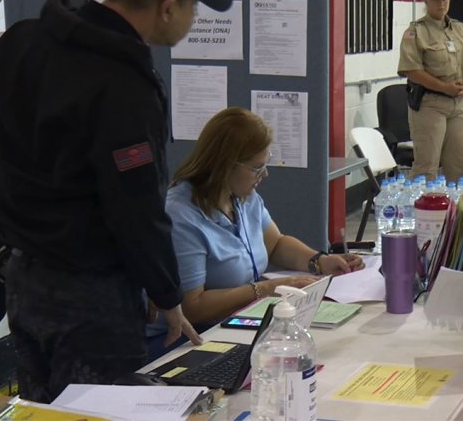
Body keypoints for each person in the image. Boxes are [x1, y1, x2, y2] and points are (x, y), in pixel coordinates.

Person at [0, 0, 232, 402]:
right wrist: (166, 292)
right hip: (90, 296)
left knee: (43, 407)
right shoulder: (123, 85)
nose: (194, 18)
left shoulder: (20, 42)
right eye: (194, 6)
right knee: (101, 409)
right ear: (167, 8)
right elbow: (134, 204)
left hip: (23, 279)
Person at [146, 107, 364, 359]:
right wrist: (267, 289)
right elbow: (192, 307)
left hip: (236, 323)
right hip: (187, 340)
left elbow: (276, 244)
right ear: (226, 165)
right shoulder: (182, 214)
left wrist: (319, 261)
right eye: (257, 167)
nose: (265, 174)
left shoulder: (243, 197)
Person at [397, 0, 463, 182]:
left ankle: (452, 213)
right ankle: (423, 212)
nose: (441, 3)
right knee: (427, 168)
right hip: (430, 105)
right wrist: (444, 88)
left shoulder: (461, 30)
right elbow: (411, 70)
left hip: (459, 104)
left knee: (458, 165)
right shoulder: (416, 32)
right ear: (426, 2)